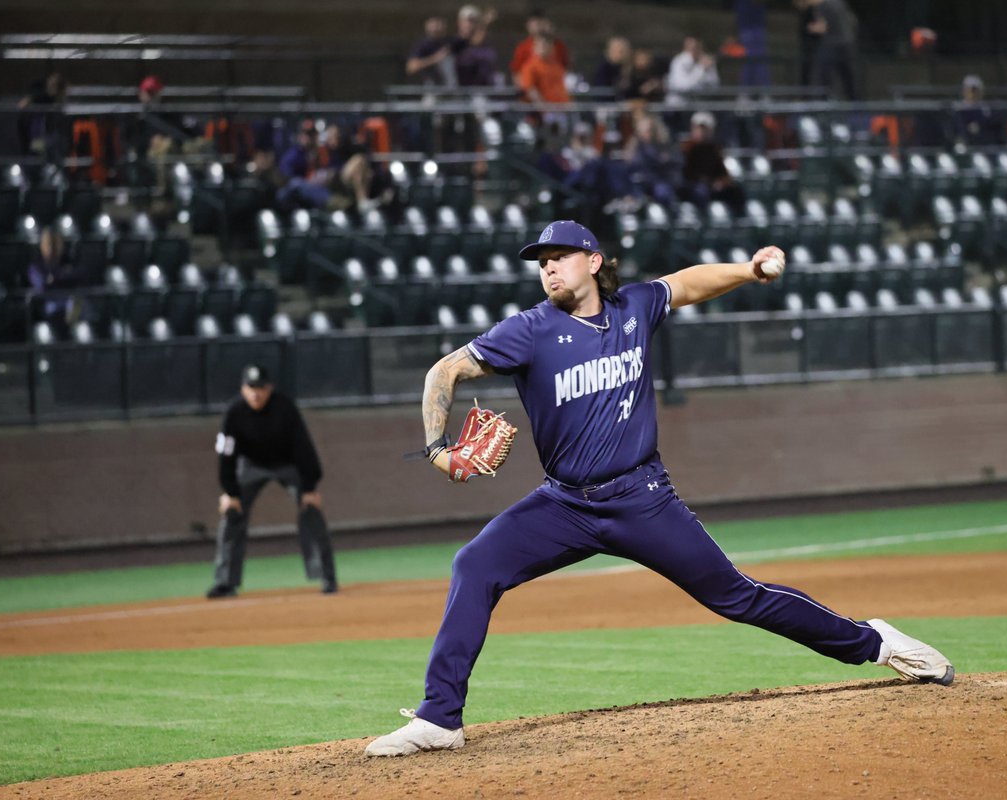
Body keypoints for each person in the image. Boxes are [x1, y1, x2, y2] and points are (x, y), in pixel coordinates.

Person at [363, 220, 955, 757]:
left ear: (593, 261)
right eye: (540, 260)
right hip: (563, 503)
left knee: (738, 597)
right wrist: (438, 448)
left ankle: (875, 644)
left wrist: (748, 272)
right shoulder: (528, 331)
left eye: (560, 256)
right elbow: (443, 370)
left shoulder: (635, 307)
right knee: (475, 565)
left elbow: (691, 283)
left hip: (642, 499)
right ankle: (441, 718)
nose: (547, 267)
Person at [207, 364, 338, 599]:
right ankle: (225, 582)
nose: (256, 393)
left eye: (260, 388)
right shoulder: (233, 413)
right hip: (250, 466)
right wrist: (230, 493)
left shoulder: (284, 408)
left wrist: (309, 488)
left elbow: (304, 448)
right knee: (232, 515)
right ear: (242, 389)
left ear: (270, 388)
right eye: (251, 388)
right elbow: (226, 456)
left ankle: (327, 576)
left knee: (310, 509)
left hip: (286, 464)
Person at [680, 110, 746, 214]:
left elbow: (723, 172)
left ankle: (739, 221)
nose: (701, 132)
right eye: (699, 128)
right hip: (693, 186)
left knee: (736, 192)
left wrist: (721, 182)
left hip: (711, 186)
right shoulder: (686, 148)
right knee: (701, 191)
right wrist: (703, 181)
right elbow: (685, 174)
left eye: (705, 129)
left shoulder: (714, 149)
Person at [797, 0, 858, 100]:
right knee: (848, 77)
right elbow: (853, 20)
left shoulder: (822, 6)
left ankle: (825, 101)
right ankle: (854, 102)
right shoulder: (839, 3)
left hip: (831, 43)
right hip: (848, 42)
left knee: (822, 77)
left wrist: (810, 28)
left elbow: (822, 28)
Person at [509, 9, 570, 78]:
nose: (537, 27)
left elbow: (565, 69)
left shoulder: (559, 46)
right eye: (533, 25)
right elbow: (517, 72)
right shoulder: (523, 47)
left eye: (539, 24)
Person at [515, 34, 570, 104]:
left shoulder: (556, 65)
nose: (545, 49)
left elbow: (562, 86)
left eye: (548, 46)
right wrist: (544, 108)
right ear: (534, 48)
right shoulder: (530, 66)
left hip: (562, 108)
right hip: (545, 110)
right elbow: (529, 89)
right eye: (542, 46)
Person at [406, 16, 459, 88]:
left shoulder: (452, 42)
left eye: (437, 25)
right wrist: (435, 59)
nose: (435, 29)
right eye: (432, 26)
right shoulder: (422, 45)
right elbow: (411, 67)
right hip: (433, 89)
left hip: (453, 88)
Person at [665, 36, 720, 104]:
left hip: (700, 104)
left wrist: (708, 69)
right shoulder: (678, 61)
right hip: (678, 106)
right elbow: (683, 87)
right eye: (692, 48)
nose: (695, 51)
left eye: (697, 47)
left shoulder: (706, 60)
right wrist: (701, 69)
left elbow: (714, 86)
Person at [591, 35, 632, 100]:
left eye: (622, 50)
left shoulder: (631, 68)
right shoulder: (603, 70)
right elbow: (602, 93)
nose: (619, 53)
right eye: (616, 50)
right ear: (608, 51)